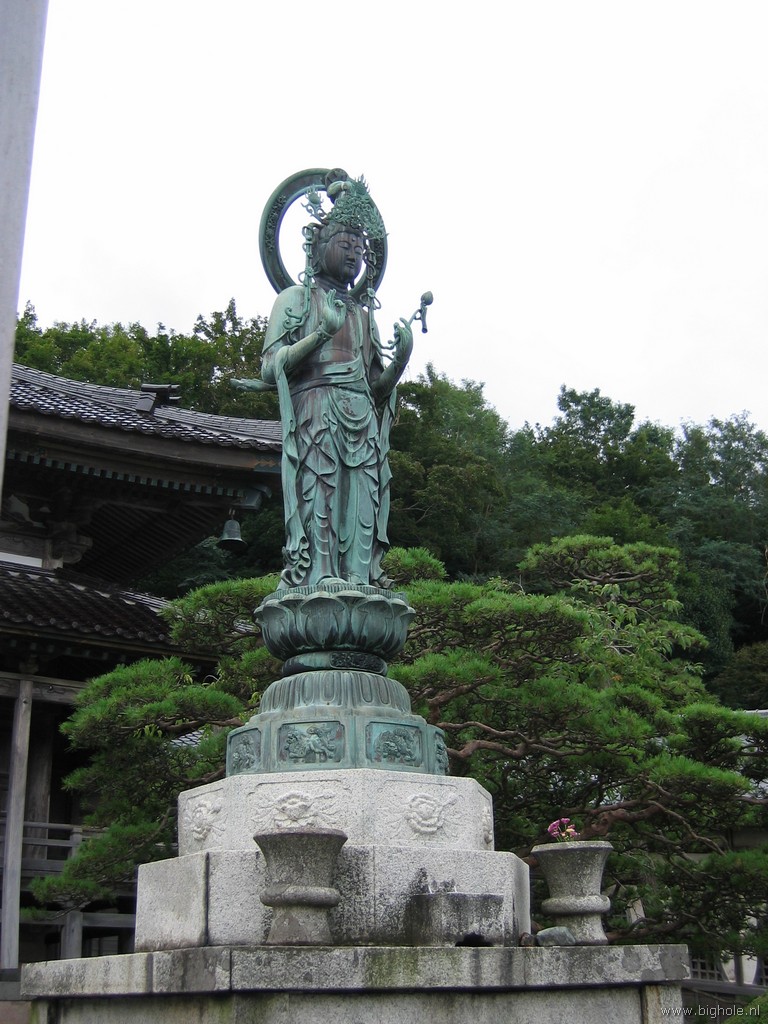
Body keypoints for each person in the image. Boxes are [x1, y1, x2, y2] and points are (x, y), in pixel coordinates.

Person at [234, 188, 413, 590]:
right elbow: (270, 368)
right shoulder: (295, 299)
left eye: (360, 250)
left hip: (361, 417)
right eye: (345, 246)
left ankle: (359, 578)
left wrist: (399, 363)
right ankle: (318, 575)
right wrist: (320, 334)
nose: (354, 256)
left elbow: (376, 388)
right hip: (316, 408)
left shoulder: (364, 316)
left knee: (363, 498)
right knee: (320, 489)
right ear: (317, 247)